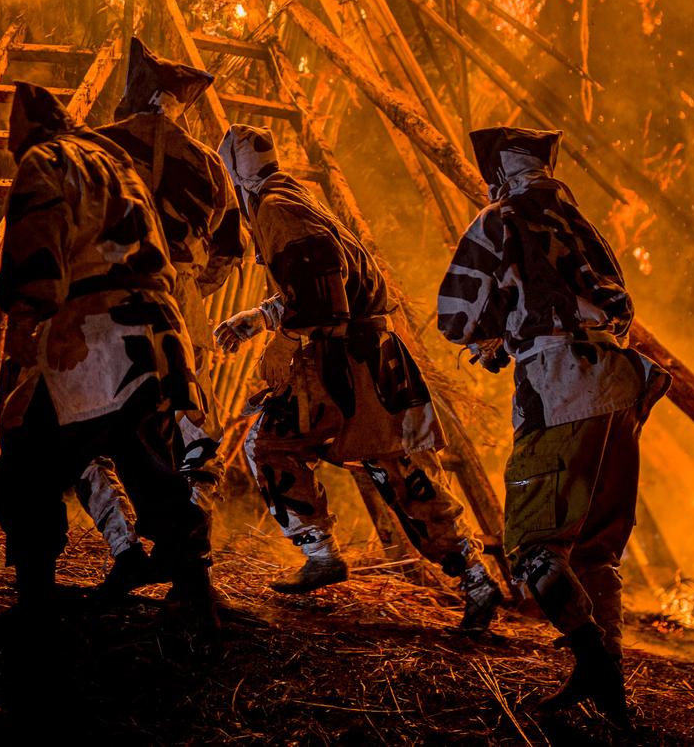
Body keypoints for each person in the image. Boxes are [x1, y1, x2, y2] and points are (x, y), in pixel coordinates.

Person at [214, 124, 502, 633]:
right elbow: (325, 281)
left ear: (236, 175)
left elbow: (324, 291)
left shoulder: (276, 208)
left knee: (282, 448)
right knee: (388, 469)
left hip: (348, 363)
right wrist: (259, 318)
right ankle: (469, 577)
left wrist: (283, 341)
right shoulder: (295, 198)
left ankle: (328, 555)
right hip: (365, 357)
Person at [437, 125, 672, 728]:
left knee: (532, 549)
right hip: (620, 387)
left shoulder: (498, 220)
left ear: (500, 173)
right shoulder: (583, 225)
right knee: (594, 549)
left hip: (560, 390)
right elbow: (617, 307)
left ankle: (593, 662)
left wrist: (497, 338)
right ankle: (611, 689)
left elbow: (454, 316)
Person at [0, 82, 219, 628]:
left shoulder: (46, 161)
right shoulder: (115, 161)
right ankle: (194, 589)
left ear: (30, 129)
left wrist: (25, 315)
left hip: (95, 332)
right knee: (151, 462)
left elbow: (37, 244)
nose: (11, 145)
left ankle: (36, 603)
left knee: (28, 462)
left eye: (12, 135)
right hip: (158, 329)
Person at [77, 37, 245, 597]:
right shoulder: (209, 165)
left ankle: (125, 548)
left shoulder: (94, 147)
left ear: (137, 92)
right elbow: (229, 253)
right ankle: (192, 562)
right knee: (191, 431)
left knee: (81, 429)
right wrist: (188, 283)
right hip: (178, 309)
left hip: (104, 304)